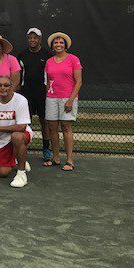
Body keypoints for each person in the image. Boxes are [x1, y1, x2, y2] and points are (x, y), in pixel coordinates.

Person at [44, 32, 82, 171]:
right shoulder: (49, 61)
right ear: (52, 46)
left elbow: (78, 82)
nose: (58, 44)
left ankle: (70, 160)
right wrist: (49, 95)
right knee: (52, 128)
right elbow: (48, 82)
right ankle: (55, 158)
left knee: (66, 127)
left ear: (65, 45)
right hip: (51, 98)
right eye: (56, 42)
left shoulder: (73, 59)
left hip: (68, 98)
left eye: (61, 42)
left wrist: (71, 100)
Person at [0, 75, 33, 188]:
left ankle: (21, 174)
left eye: (6, 85)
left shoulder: (21, 100)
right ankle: (17, 157)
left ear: (11, 86)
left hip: (21, 134)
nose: (3, 88)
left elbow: (22, 127)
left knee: (17, 137)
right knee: (2, 173)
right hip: (2, 138)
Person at [17, 28, 53, 162]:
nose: (32, 40)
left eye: (35, 37)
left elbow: (50, 75)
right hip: (26, 94)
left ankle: (46, 149)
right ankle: (23, 149)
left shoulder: (47, 55)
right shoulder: (21, 55)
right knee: (26, 123)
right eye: (30, 37)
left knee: (45, 122)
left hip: (42, 93)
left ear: (39, 39)